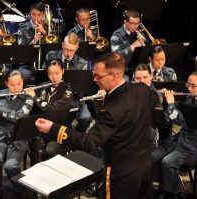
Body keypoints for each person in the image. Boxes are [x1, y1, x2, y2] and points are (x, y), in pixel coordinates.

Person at [35, 52, 157, 199]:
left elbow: (89, 141)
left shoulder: (112, 110)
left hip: (122, 174)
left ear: (114, 75)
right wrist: (110, 98)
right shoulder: (142, 90)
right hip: (144, 166)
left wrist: (53, 128)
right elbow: (151, 100)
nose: (94, 79)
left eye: (98, 76)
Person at [0, 70, 34, 199]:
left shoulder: (29, 97)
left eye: (19, 84)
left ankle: (23, 191)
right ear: (6, 83)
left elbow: (18, 117)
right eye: (12, 85)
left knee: (11, 166)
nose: (16, 88)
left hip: (18, 137)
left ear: (23, 83)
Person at [151, 71, 197, 199]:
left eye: (193, 86)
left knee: (167, 162)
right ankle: (162, 186)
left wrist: (171, 104)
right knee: (153, 155)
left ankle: (173, 193)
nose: (189, 88)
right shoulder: (190, 97)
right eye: (188, 85)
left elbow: (183, 121)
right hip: (181, 140)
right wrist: (164, 99)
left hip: (192, 147)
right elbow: (172, 117)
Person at [24, 59, 73, 164]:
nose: (54, 77)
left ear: (63, 71)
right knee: (35, 145)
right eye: (50, 74)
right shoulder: (44, 86)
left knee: (50, 150)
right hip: (42, 129)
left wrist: (35, 97)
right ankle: (35, 173)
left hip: (58, 130)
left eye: (57, 73)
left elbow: (51, 109)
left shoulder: (67, 91)